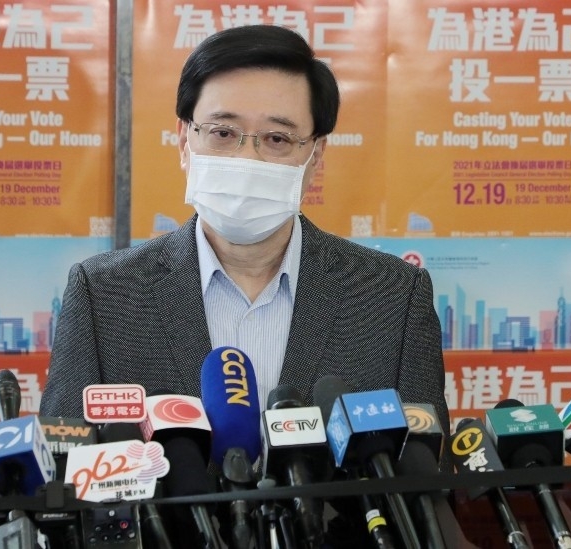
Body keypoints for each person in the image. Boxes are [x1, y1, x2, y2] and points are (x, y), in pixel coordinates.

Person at [40, 24, 449, 458]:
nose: (247, 158)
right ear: (184, 141)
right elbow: (65, 468)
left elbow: (427, 472)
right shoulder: (103, 294)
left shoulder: (393, 296)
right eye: (223, 133)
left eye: (277, 139)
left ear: (315, 156)